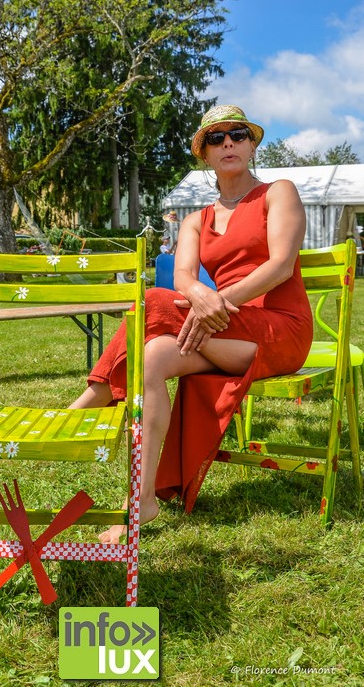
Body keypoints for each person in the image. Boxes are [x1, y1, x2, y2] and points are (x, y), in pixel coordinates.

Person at [69, 104, 313, 543]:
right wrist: (201, 299)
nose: (228, 143)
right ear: (204, 153)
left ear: (252, 145)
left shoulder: (278, 193)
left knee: (151, 301)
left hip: (278, 330)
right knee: (152, 357)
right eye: (216, 138)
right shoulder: (196, 220)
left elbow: (280, 266)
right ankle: (142, 500)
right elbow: (183, 276)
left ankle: (86, 405)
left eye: (237, 134)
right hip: (222, 328)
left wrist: (213, 302)